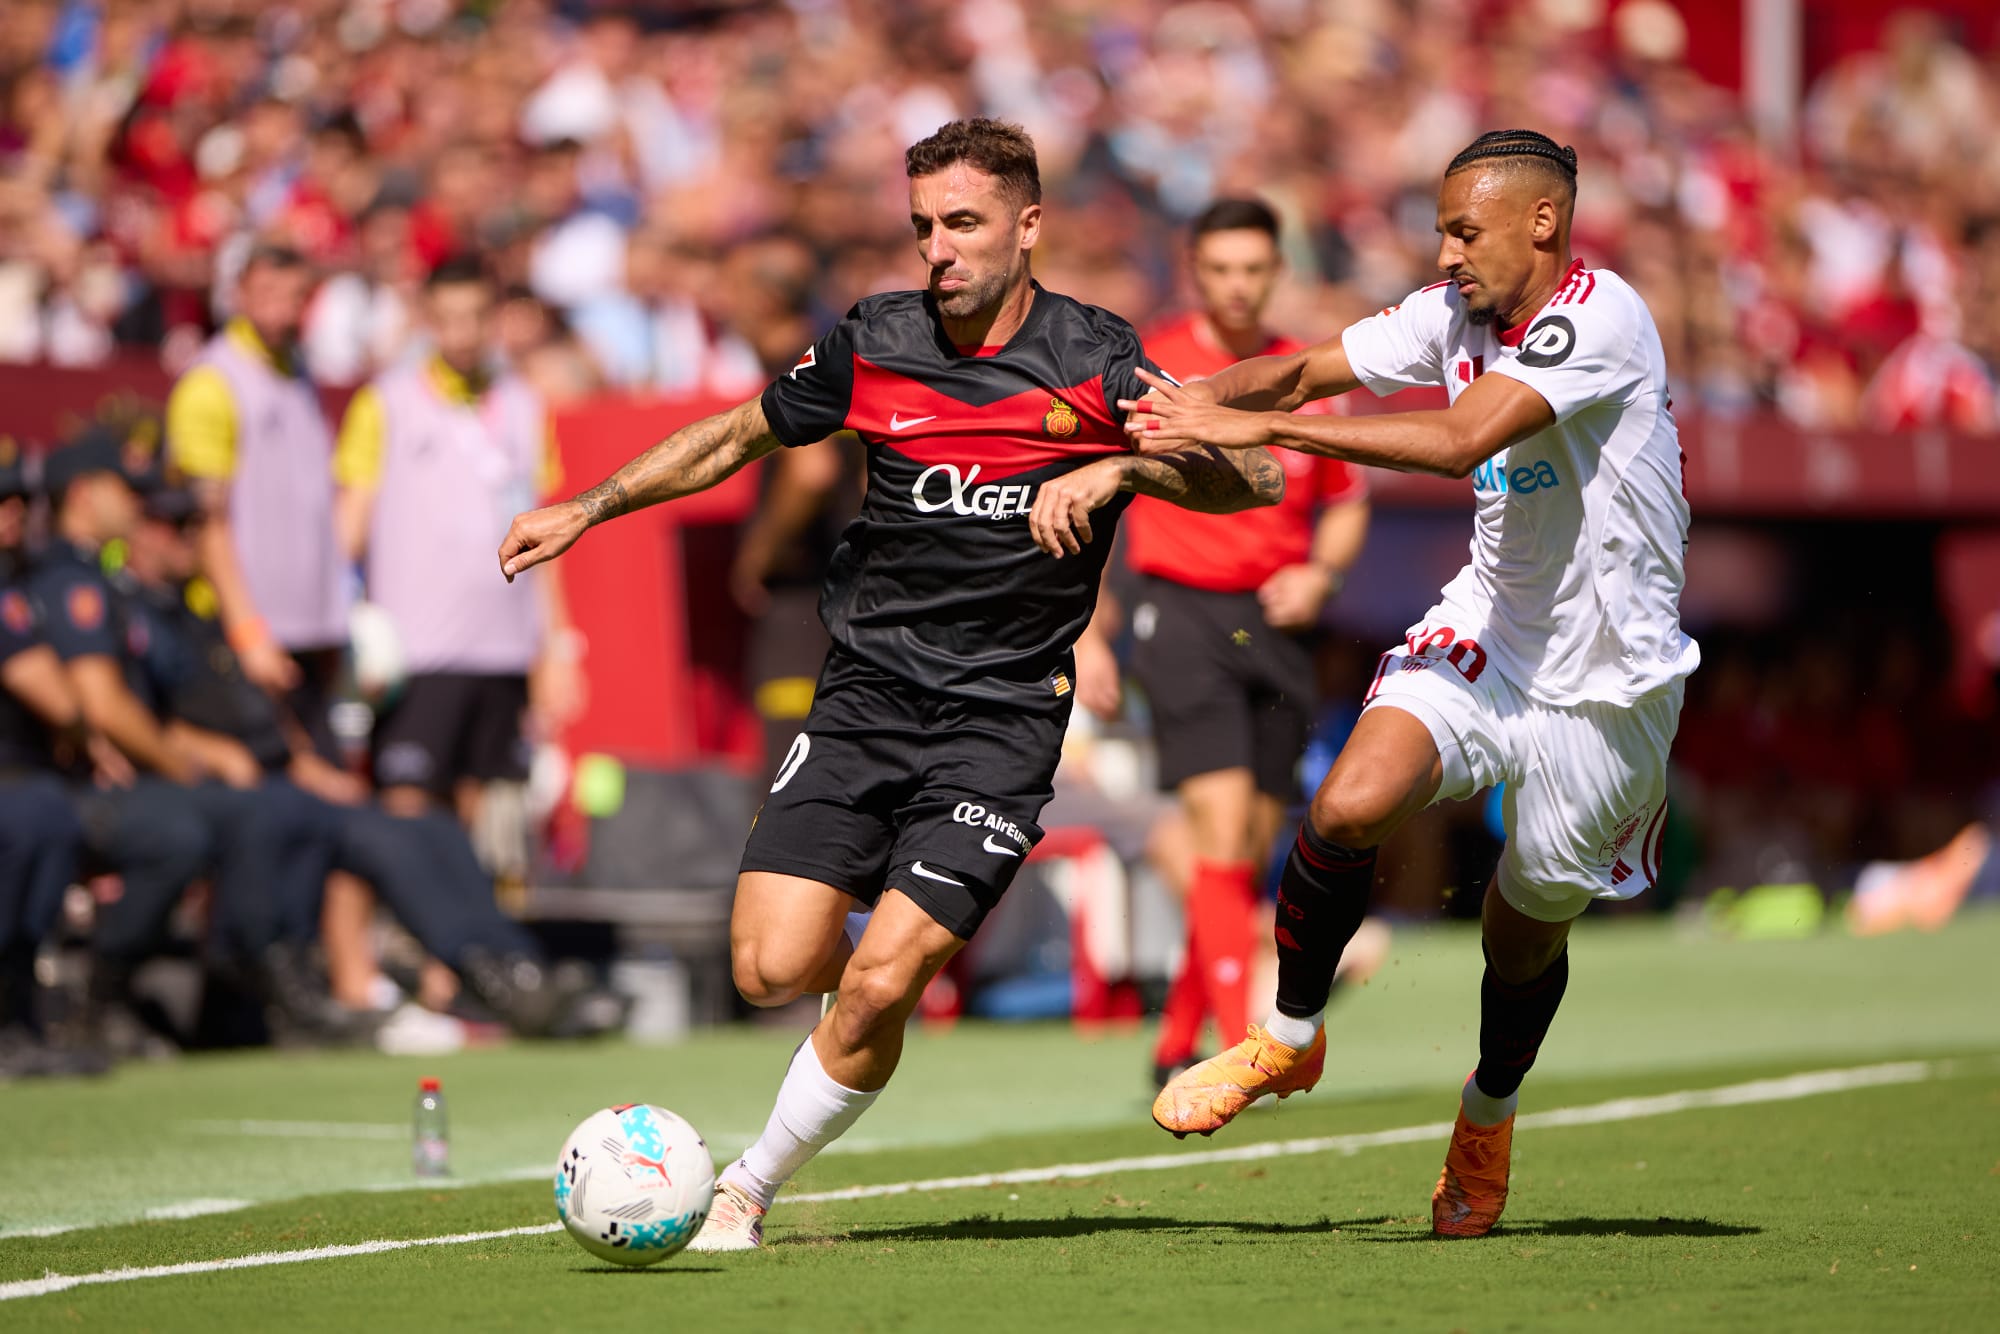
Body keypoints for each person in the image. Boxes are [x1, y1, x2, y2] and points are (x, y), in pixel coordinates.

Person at [497, 118, 1284, 1250]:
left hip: (1002, 721)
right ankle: (856, 995)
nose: (937, 248)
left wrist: (1121, 461)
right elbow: (736, 435)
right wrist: (591, 504)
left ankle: (746, 1186)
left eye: (960, 223)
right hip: (863, 697)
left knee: (876, 982)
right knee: (770, 965)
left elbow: (1252, 470)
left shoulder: (1096, 355)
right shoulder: (876, 340)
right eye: (921, 225)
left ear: (1026, 226)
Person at [1136, 130, 1698, 1240]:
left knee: (1521, 928)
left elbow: (1455, 442)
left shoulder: (1602, 317)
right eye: (1439, 230)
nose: (1442, 254)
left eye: (1461, 230)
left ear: (1541, 221)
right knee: (1345, 803)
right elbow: (1300, 366)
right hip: (1489, 628)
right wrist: (1175, 400)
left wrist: (1254, 428)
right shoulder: (1447, 315)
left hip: (1607, 682)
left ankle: (1484, 1114)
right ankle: (1290, 1036)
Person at [1078, 197, 1374, 1087]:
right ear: (1194, 270)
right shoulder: (1156, 369)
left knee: (1243, 844)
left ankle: (1177, 1037)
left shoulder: (1300, 371)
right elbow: (1107, 500)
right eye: (1222, 270)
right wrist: (1093, 633)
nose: (1239, 286)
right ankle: (1240, 1045)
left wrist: (1321, 575)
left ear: (1275, 270)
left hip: (1277, 623)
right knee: (1214, 822)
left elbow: (1347, 501)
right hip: (1183, 613)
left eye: (1254, 269)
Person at [29, 430, 342, 1054]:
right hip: (79, 783)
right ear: (85, 496)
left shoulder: (104, 581)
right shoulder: (71, 583)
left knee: (266, 811)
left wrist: (199, 752)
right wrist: (182, 764)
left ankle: (250, 979)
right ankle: (103, 989)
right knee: (181, 832)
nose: (137, 505)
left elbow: (135, 708)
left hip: (125, 774)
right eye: (126, 489)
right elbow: (104, 705)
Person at [334, 255, 579, 833]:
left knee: (483, 817)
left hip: (503, 652)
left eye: (474, 318)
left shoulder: (523, 404)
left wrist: (558, 648)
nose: (462, 334)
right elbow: (347, 531)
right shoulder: (385, 402)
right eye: (447, 320)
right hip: (416, 653)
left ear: (496, 316)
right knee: (407, 809)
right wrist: (344, 635)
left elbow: (548, 541)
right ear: (426, 319)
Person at [165, 243, 348, 752]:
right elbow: (208, 521)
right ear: (239, 293)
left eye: (293, 296)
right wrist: (247, 631)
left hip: (307, 633)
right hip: (243, 634)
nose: (280, 308)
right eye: (266, 292)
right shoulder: (212, 383)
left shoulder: (299, 374)